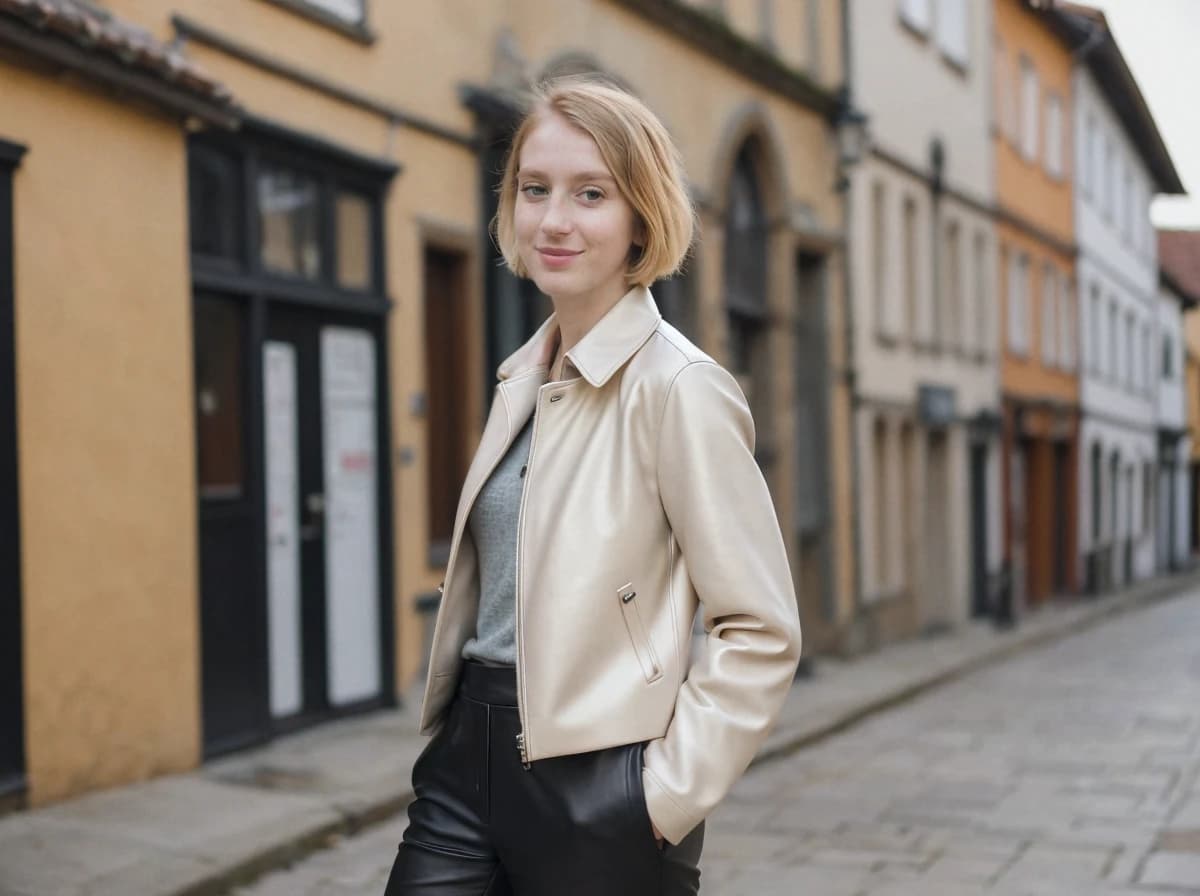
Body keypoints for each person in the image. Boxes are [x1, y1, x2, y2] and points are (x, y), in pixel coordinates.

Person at [384, 76, 802, 896]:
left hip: (601, 780)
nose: (555, 220)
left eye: (591, 194)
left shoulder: (680, 387)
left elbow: (758, 625)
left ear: (640, 214)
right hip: (468, 756)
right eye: (534, 189)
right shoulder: (523, 378)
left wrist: (659, 798)